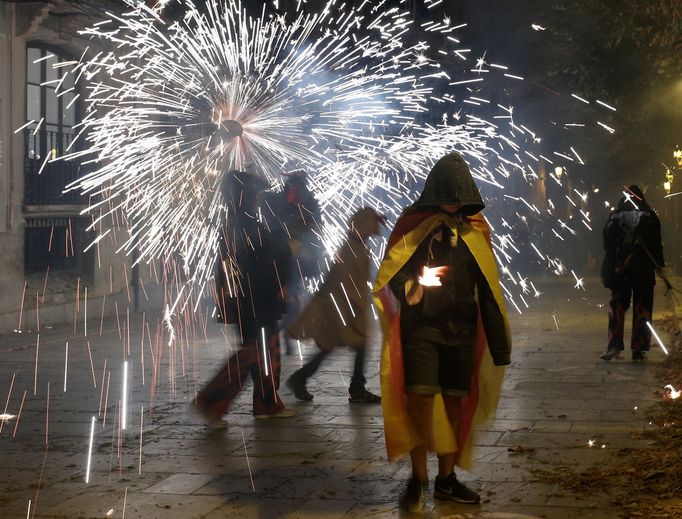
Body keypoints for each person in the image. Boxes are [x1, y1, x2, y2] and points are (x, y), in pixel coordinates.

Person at [373, 153, 511, 512]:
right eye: (447, 195)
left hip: (462, 332)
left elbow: (489, 288)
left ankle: (445, 480)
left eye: (458, 196)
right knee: (419, 402)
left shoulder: (476, 230)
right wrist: (414, 287)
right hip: (421, 330)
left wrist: (500, 343)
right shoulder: (414, 224)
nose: (452, 202)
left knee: (454, 403)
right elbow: (392, 273)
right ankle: (417, 480)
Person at [193, 169, 295, 424]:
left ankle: (266, 402)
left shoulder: (240, 221)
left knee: (265, 350)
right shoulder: (244, 225)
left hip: (252, 297)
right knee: (254, 351)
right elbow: (258, 261)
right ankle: (210, 400)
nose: (259, 198)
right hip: (255, 299)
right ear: (246, 196)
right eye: (255, 194)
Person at [286, 207, 384, 403]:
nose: (378, 227)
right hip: (343, 309)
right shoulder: (351, 249)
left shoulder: (358, 246)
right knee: (352, 345)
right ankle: (354, 388)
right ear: (364, 225)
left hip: (346, 308)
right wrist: (353, 306)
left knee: (335, 347)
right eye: (374, 222)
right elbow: (342, 280)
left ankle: (301, 379)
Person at [600, 185, 665, 361]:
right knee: (642, 308)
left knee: (617, 307)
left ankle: (614, 345)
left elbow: (607, 244)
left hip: (621, 269)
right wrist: (660, 265)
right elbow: (656, 245)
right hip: (643, 269)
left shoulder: (614, 216)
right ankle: (639, 348)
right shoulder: (650, 217)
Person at [263, 170, 322, 354]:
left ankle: (285, 334)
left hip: (297, 258)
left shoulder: (308, 202)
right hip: (282, 257)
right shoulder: (279, 202)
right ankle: (280, 335)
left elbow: (315, 226)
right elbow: (275, 226)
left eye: (298, 190)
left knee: (293, 298)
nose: (295, 194)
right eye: (292, 190)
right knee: (288, 299)